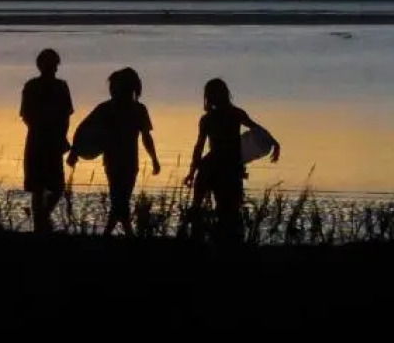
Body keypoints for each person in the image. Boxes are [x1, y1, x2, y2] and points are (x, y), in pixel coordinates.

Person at [183, 77, 279, 244]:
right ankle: (206, 240)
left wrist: (192, 172)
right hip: (222, 167)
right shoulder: (230, 115)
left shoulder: (221, 116)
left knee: (213, 209)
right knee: (224, 211)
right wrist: (192, 172)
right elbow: (257, 129)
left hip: (218, 167)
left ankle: (199, 239)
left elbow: (199, 147)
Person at [68, 67, 160, 237]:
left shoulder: (138, 109)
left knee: (120, 200)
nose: (112, 90)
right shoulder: (106, 108)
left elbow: (146, 137)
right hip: (113, 161)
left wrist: (154, 158)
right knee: (120, 199)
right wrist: (75, 150)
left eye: (116, 86)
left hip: (130, 161)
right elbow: (83, 128)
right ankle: (123, 235)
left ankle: (112, 234)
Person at [20, 47, 73, 234]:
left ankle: (42, 218)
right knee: (38, 187)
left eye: (55, 65)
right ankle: (39, 224)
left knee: (56, 187)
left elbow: (66, 115)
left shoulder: (61, 86)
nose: (54, 68)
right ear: (41, 66)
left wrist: (60, 135)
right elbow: (26, 115)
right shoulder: (32, 86)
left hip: (51, 140)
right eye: (51, 64)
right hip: (38, 140)